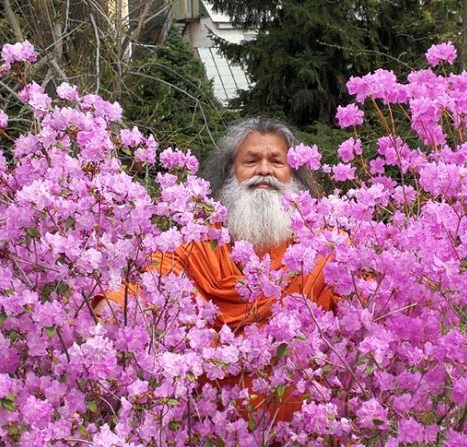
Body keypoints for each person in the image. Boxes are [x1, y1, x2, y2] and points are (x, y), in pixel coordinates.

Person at [97, 117, 336, 422]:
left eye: (277, 161)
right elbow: (155, 283)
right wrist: (115, 303)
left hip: (304, 434)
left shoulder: (324, 248)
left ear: (294, 174)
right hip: (209, 430)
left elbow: (365, 294)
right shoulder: (197, 241)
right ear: (230, 172)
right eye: (251, 161)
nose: (264, 170)